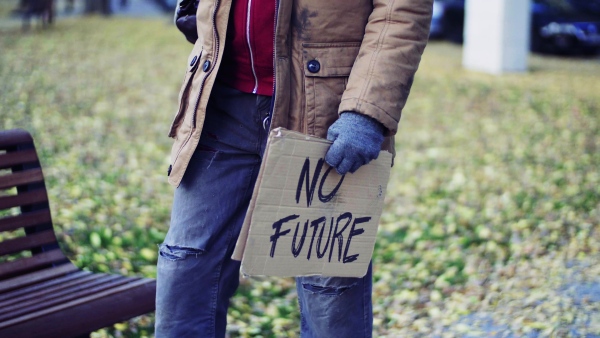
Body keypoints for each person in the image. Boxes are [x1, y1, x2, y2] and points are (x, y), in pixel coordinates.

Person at [156, 0, 433, 336]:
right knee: (185, 268)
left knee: (329, 294)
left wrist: (366, 111)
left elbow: (401, 10)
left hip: (324, 117)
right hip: (221, 105)